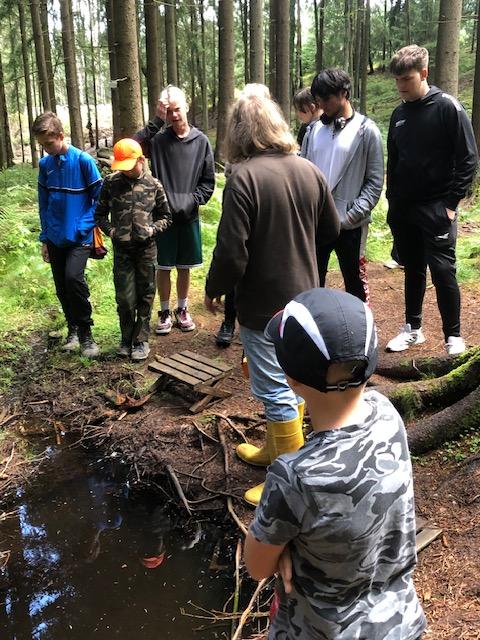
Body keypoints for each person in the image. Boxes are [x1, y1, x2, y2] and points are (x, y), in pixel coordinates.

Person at [244, 287, 427, 640]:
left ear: (290, 378)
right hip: (400, 623)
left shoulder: (295, 475)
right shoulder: (387, 414)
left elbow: (257, 566)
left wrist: (284, 551)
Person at [204, 93, 340, 505]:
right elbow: (332, 230)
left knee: (274, 387)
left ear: (239, 132)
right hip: (305, 299)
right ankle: (274, 448)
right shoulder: (308, 169)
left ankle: (287, 482)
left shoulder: (243, 176)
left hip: (264, 306)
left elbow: (231, 250)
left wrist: (214, 287)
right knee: (291, 380)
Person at [386, 45, 478, 355]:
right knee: (413, 268)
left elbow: (468, 158)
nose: (401, 85)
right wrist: (393, 205)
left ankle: (454, 336)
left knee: (442, 271)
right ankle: (413, 329)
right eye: (397, 80)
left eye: (407, 79)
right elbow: (394, 163)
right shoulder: (399, 114)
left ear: (424, 73)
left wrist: (451, 205)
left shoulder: (447, 107)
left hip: (437, 207)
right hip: (404, 209)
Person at [134, 85, 215, 335]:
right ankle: (164, 310)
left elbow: (208, 182)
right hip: (162, 217)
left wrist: (192, 201)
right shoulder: (158, 141)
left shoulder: (201, 141)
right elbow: (133, 146)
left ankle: (182, 308)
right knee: (163, 266)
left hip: (188, 215)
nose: (174, 115)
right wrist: (157, 121)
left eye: (177, 109)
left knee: (184, 266)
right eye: (169, 112)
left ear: (187, 106)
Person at [306, 68, 384, 304]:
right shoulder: (313, 130)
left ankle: (360, 325)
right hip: (317, 222)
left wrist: (352, 216)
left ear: (344, 93)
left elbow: (374, 182)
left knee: (355, 283)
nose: (321, 104)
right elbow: (303, 172)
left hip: (350, 225)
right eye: (318, 99)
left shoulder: (366, 130)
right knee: (312, 281)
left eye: (326, 98)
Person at [94, 139, 171, 361]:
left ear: (141, 160)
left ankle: (141, 340)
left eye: (129, 166)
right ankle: (126, 338)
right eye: (122, 167)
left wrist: (152, 229)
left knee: (145, 295)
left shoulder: (154, 185)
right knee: (125, 298)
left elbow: (166, 216)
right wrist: (111, 231)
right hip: (122, 251)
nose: (126, 171)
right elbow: (99, 214)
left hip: (146, 249)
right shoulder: (111, 183)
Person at [33, 111, 102, 358]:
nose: (46, 149)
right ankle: (72, 329)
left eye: (49, 143)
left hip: (80, 236)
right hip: (55, 236)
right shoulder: (45, 165)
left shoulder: (83, 161)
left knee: (74, 279)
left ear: (61, 136)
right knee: (62, 285)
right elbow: (43, 204)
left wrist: (84, 226)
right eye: (42, 145)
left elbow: (99, 200)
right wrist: (44, 238)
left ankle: (86, 333)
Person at [214, 83, 273, 349]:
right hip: (239, 214)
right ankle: (229, 321)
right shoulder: (237, 153)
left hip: (268, 224)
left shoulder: (281, 151)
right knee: (235, 261)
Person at [293, 87, 322, 157]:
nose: (297, 114)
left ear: (312, 107)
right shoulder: (304, 128)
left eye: (299, 109)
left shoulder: (326, 127)